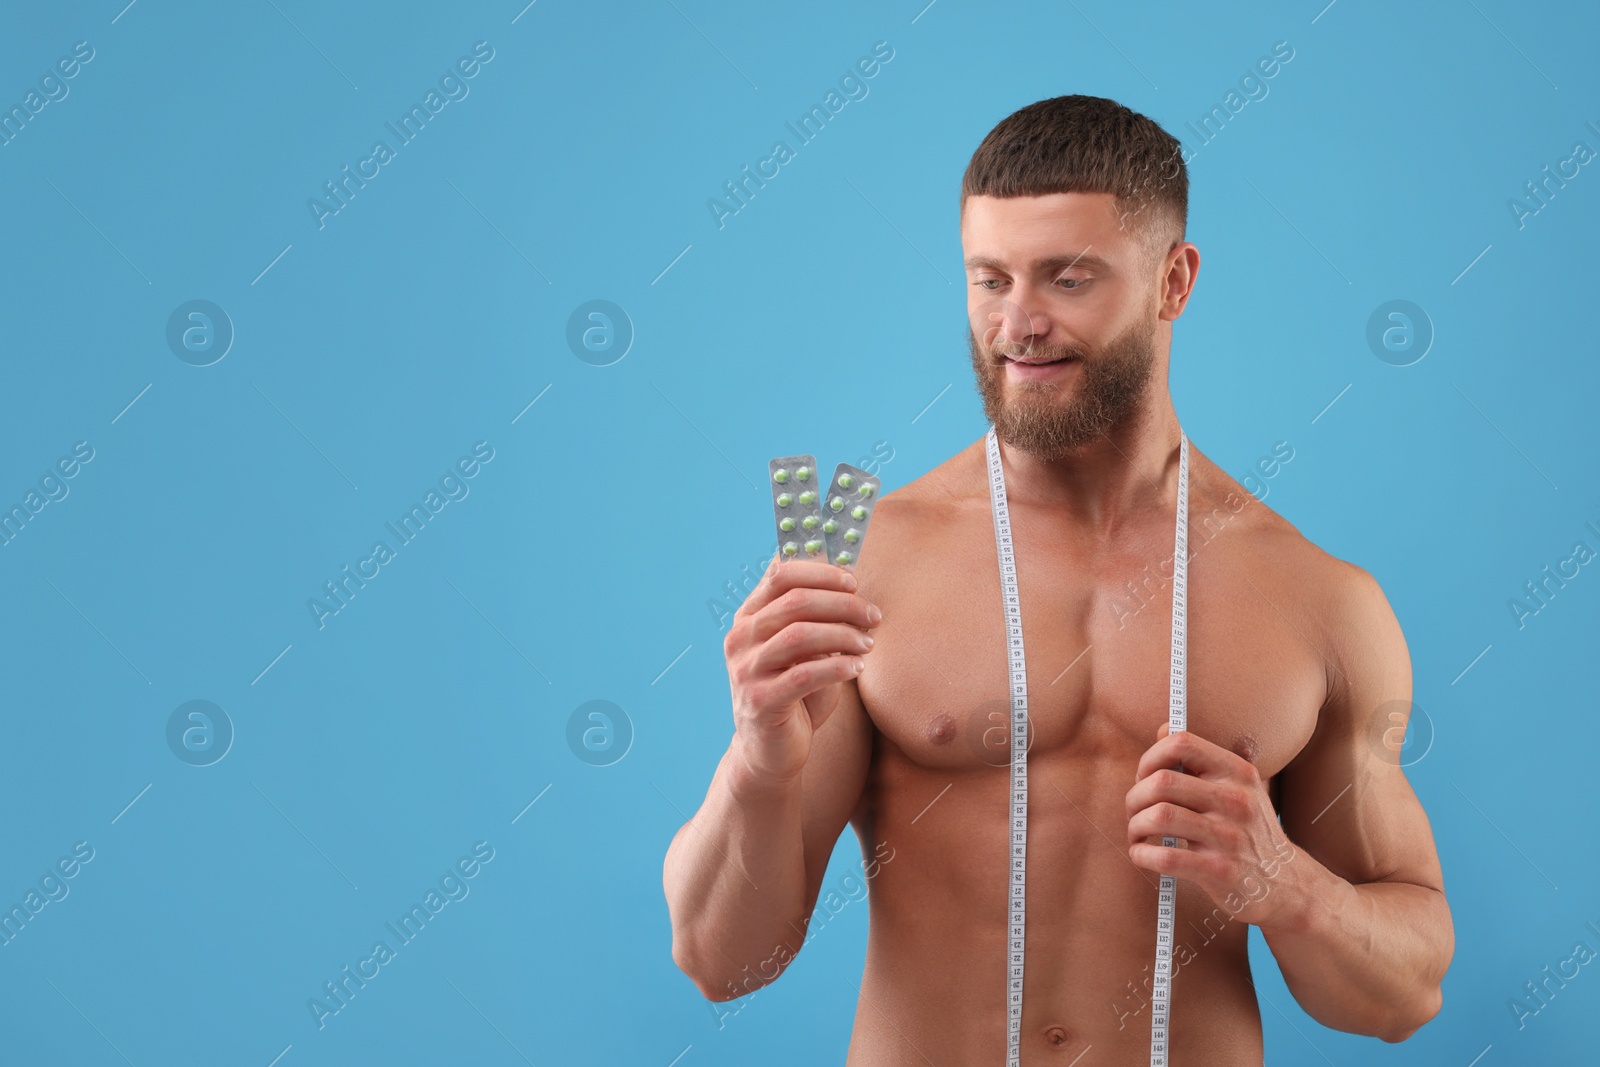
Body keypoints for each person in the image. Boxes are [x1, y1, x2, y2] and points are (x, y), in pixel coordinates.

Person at [662, 94, 1453, 1064]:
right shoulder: (870, 566)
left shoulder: (1320, 602)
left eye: (1066, 278)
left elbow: (1402, 995)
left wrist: (1283, 884)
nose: (1018, 323)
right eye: (988, 278)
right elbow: (719, 961)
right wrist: (758, 760)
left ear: (1173, 280)